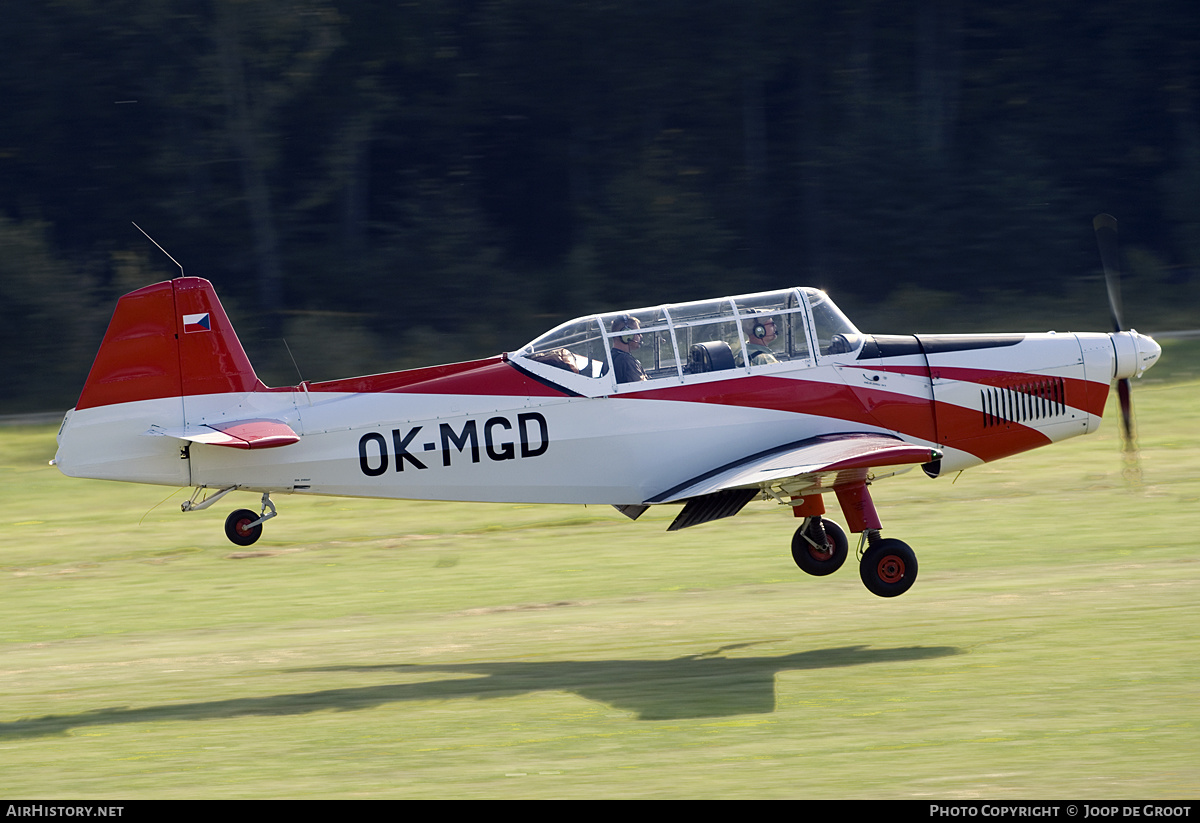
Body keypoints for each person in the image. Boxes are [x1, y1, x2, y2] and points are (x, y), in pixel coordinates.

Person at [609, 315, 648, 383]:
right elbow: (642, 387)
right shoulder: (626, 360)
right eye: (637, 333)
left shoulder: (610, 358)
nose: (640, 336)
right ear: (626, 335)